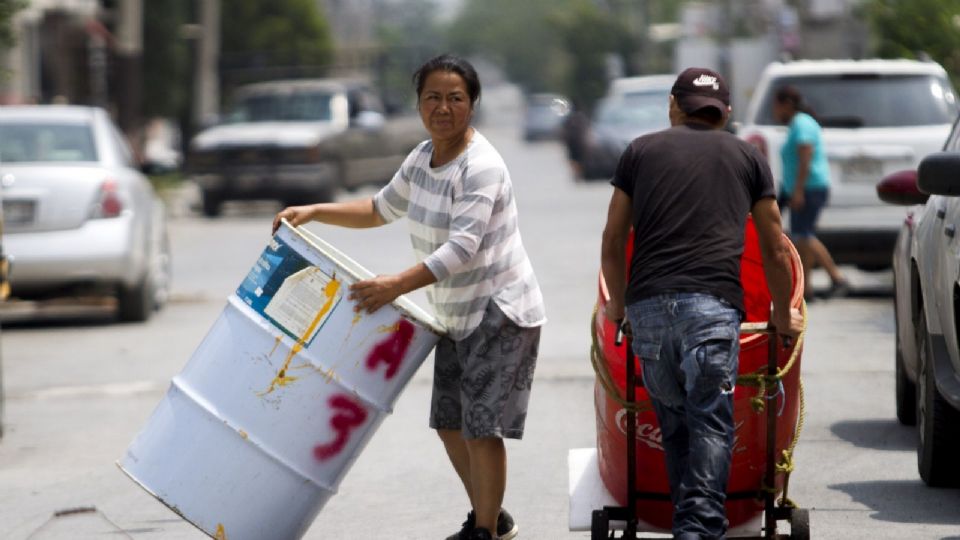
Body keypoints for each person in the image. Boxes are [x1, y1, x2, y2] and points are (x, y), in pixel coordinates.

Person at [273, 54, 545, 540]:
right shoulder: (422, 158)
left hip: (498, 309)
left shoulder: (479, 166)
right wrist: (315, 210)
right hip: (454, 312)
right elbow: (379, 210)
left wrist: (394, 285)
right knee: (449, 423)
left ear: (472, 106)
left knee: (483, 428)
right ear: (419, 104)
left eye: (455, 98)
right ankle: (492, 516)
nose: (444, 108)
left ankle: (484, 532)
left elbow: (462, 248)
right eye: (433, 98)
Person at [600, 67, 803, 539]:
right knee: (711, 422)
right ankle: (699, 530)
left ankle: (687, 526)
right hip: (712, 309)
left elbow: (613, 240)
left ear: (673, 105)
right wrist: (778, 313)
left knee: (673, 424)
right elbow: (774, 249)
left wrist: (616, 309)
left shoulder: (640, 152)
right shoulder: (746, 156)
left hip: (648, 310)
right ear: (725, 113)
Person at [772, 85, 848, 301]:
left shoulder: (802, 124)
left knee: (802, 236)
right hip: (796, 188)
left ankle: (836, 278)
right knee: (801, 237)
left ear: (786, 104)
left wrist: (797, 191)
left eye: (776, 107)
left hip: (808, 188)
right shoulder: (798, 123)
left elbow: (805, 157)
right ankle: (807, 289)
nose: (775, 112)